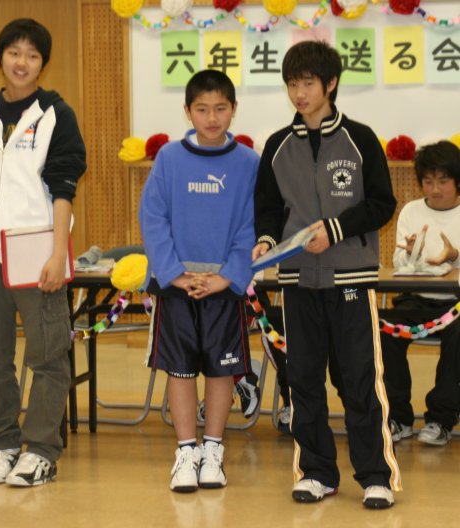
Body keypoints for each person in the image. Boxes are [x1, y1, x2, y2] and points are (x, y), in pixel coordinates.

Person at [253, 40, 401, 509]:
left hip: (351, 279)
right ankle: (316, 472)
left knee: (359, 380)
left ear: (331, 84)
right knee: (303, 380)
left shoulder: (361, 139)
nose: (299, 93)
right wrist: (265, 241)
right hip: (297, 282)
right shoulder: (277, 145)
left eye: (308, 83)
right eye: (292, 84)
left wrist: (334, 230)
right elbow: (268, 209)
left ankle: (375, 475)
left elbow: (382, 204)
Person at [0, 18, 86, 487]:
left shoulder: (55, 114)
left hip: (35, 251)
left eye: (31, 54)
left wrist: (57, 252)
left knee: (48, 355)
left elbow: (64, 186)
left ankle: (42, 450)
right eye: (14, 53)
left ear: (42, 63)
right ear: (0, 59)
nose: (21, 62)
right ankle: (2, 445)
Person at [140, 69, 259, 493]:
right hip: (177, 287)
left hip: (224, 289)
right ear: (187, 111)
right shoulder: (169, 158)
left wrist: (227, 277)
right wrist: (174, 274)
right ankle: (186, 452)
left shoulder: (248, 163)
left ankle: (213, 450)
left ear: (233, 110)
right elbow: (153, 218)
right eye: (202, 109)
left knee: (221, 371)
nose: (212, 118)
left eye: (220, 108)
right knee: (181, 369)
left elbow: (251, 225)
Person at [381, 140, 460, 447]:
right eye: (428, 181)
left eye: (443, 181)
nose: (435, 189)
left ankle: (441, 419)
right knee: (385, 329)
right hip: (415, 300)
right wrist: (411, 254)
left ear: (457, 182)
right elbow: (398, 263)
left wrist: (454, 257)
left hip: (455, 305)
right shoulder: (411, 211)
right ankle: (399, 417)